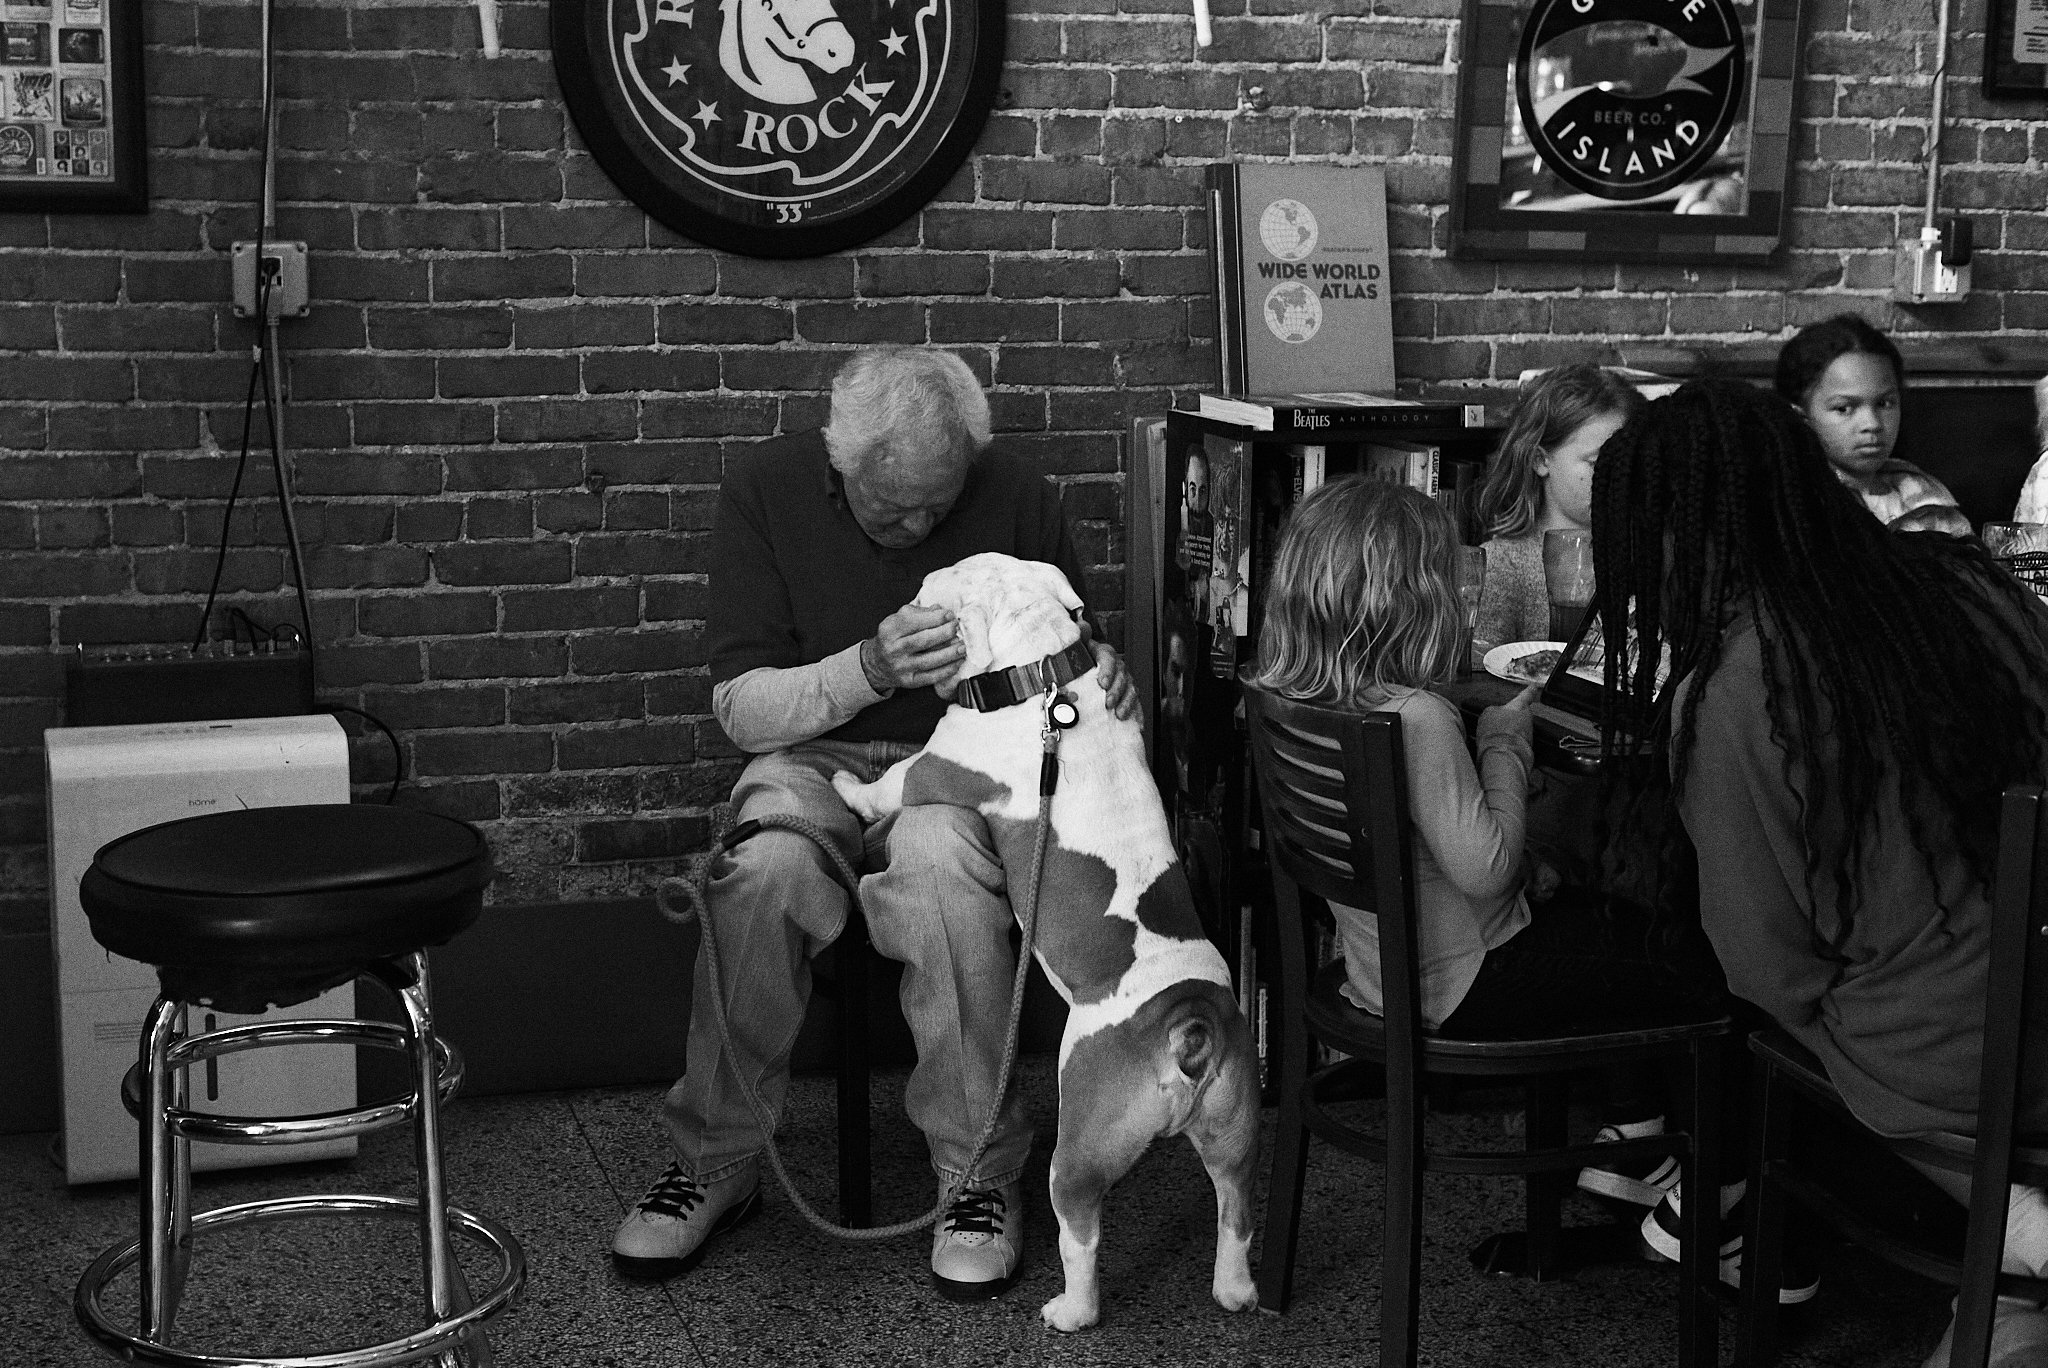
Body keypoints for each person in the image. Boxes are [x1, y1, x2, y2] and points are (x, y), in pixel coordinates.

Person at [610, 345, 1136, 1301]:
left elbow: (1071, 647)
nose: (919, 526)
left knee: (941, 872)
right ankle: (717, 1162)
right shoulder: (765, 491)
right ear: (840, 464)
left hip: (966, 762)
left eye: (939, 505)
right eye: (893, 508)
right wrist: (871, 667)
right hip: (810, 761)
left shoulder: (1014, 489)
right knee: (765, 870)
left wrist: (1105, 667)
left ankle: (976, 1176)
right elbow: (741, 709)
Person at [1592, 378, 2048, 1365]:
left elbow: (1763, 967)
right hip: (2039, 989)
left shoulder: (1737, 689)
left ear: (1675, 542)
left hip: (1952, 1055)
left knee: (1759, 1016)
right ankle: (2002, 1274)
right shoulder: (1976, 584)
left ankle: (1984, 1232)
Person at [1244, 477, 1725, 1047]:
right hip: (1470, 984)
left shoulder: (1290, 701)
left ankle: (1628, 1112)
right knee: (1682, 955)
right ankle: (1644, 1123)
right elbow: (1489, 872)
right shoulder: (1417, 719)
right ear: (1414, 601)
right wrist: (1503, 742)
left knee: (1592, 914)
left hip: (1381, 978)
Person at [1472, 364, 1644, 654]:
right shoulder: (1504, 563)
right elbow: (1483, 678)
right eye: (1596, 463)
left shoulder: (1644, 555)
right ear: (1541, 461)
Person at [1775, 314, 1973, 537]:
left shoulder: (1923, 496)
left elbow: (1969, 566)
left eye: (1884, 403)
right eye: (1844, 408)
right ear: (1801, 418)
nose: (1872, 424)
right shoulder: (1796, 505)